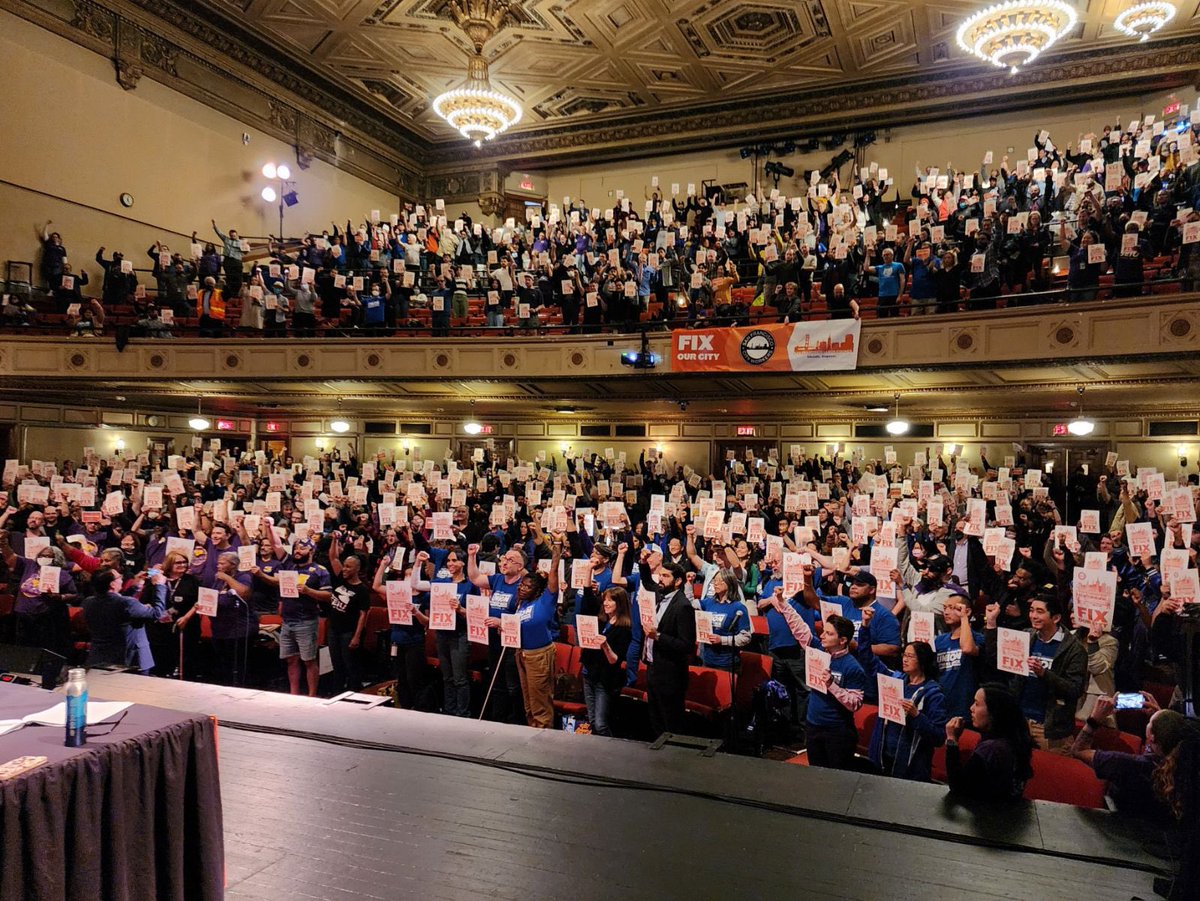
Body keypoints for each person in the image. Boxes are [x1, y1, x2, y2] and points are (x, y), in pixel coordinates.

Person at [770, 586, 866, 770]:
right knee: (815, 776)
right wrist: (783, 603)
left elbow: (855, 703)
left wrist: (831, 685)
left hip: (837, 732)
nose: (822, 635)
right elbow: (799, 628)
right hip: (813, 726)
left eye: (829, 633)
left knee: (836, 779)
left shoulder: (853, 667)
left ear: (843, 640)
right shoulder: (819, 650)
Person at [1070, 695, 1198, 820]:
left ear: (1151, 736)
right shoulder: (1189, 769)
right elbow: (1165, 738)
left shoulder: (1128, 766)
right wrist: (1163, 721)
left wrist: (1094, 719)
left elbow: (1079, 750)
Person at [985, 593, 1086, 750]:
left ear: (1056, 618)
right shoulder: (1026, 636)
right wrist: (991, 623)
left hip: (1049, 728)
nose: (1033, 615)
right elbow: (994, 659)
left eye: (1040, 611)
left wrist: (1044, 674)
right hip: (1020, 720)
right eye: (1031, 610)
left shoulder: (1074, 648)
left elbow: (1074, 689)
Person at [486, 537, 562, 729]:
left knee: (540, 702)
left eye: (527, 586)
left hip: (539, 655)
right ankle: (531, 732)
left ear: (537, 590)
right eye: (521, 585)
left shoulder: (546, 601)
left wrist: (557, 548)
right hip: (521, 654)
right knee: (528, 701)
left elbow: (553, 573)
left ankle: (544, 735)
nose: (521, 588)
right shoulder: (521, 604)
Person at [861, 640, 948, 781]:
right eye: (904, 655)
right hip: (882, 759)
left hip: (911, 769)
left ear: (922, 660)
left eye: (910, 656)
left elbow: (938, 737)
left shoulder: (934, 694)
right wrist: (865, 626)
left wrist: (917, 716)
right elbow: (868, 659)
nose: (905, 659)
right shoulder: (895, 680)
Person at [0, 532, 78, 686]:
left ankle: (45, 678)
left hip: (45, 618)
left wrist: (59, 597)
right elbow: (10, 558)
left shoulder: (62, 574)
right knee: (24, 648)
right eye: (42, 554)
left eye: (48, 555)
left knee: (44, 649)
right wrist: (3, 543)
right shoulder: (29, 565)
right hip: (23, 616)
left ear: (55, 558)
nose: (44, 557)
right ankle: (23, 678)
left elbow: (74, 594)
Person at [944, 684, 1036, 802]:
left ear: (993, 711)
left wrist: (952, 739)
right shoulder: (1013, 740)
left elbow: (958, 787)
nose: (971, 708)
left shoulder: (991, 749)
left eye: (977, 704)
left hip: (989, 815)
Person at [412, 547, 473, 717]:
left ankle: (462, 714)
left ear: (463, 563)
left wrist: (461, 609)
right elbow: (415, 584)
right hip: (442, 634)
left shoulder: (470, 586)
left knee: (460, 678)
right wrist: (418, 562)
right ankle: (449, 711)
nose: (450, 564)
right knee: (447, 677)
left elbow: (476, 613)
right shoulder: (442, 583)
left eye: (454, 560)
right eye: (448, 561)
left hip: (460, 636)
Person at [643, 562, 696, 738]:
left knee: (670, 725)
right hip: (653, 668)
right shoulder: (661, 595)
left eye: (666, 576)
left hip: (670, 675)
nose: (660, 579)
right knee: (655, 721)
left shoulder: (683, 606)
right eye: (660, 575)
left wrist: (657, 636)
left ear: (678, 581)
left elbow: (686, 645)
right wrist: (643, 564)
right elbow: (647, 582)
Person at [82, 567, 168, 675]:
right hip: (129, 661)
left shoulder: (88, 602)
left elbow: (116, 602)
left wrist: (135, 587)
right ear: (112, 584)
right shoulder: (127, 604)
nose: (122, 578)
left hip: (99, 658)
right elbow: (157, 613)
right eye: (119, 577)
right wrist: (159, 585)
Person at [579, 586, 633, 737]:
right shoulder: (600, 621)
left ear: (620, 604)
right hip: (589, 674)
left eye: (610, 600)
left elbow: (614, 660)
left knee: (601, 724)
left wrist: (605, 645)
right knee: (592, 720)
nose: (606, 603)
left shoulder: (624, 629)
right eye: (605, 600)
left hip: (605, 679)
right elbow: (587, 600)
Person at [324, 540, 372, 694]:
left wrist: (356, 637)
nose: (344, 569)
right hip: (334, 630)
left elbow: (363, 615)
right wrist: (334, 539)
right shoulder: (340, 579)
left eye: (348, 567)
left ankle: (354, 693)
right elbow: (333, 558)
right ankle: (337, 692)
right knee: (336, 664)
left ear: (357, 569)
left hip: (349, 632)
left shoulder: (362, 589)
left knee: (350, 665)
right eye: (344, 566)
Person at [207, 551, 256, 687]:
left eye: (222, 563)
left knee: (238, 664)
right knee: (223, 664)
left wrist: (227, 578)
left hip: (239, 629)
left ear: (233, 565)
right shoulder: (218, 580)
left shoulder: (243, 576)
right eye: (218, 563)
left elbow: (244, 593)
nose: (218, 566)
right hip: (219, 629)